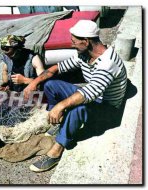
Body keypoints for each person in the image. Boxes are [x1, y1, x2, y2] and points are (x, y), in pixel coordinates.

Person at [24, 20, 127, 172]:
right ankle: (60, 121)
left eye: (74, 42)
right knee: (51, 85)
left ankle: (57, 149)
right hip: (94, 96)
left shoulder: (107, 63)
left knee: (76, 108)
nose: (71, 45)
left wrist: (60, 105)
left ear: (86, 41)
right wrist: (34, 82)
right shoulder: (84, 55)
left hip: (108, 110)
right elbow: (57, 68)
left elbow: (89, 92)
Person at [0, 34, 45, 126]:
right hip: (13, 94)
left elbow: (43, 80)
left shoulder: (33, 59)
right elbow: (5, 70)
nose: (9, 57)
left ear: (17, 48)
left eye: (10, 54)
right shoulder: (8, 58)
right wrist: (6, 83)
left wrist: (24, 80)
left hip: (30, 96)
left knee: (14, 116)